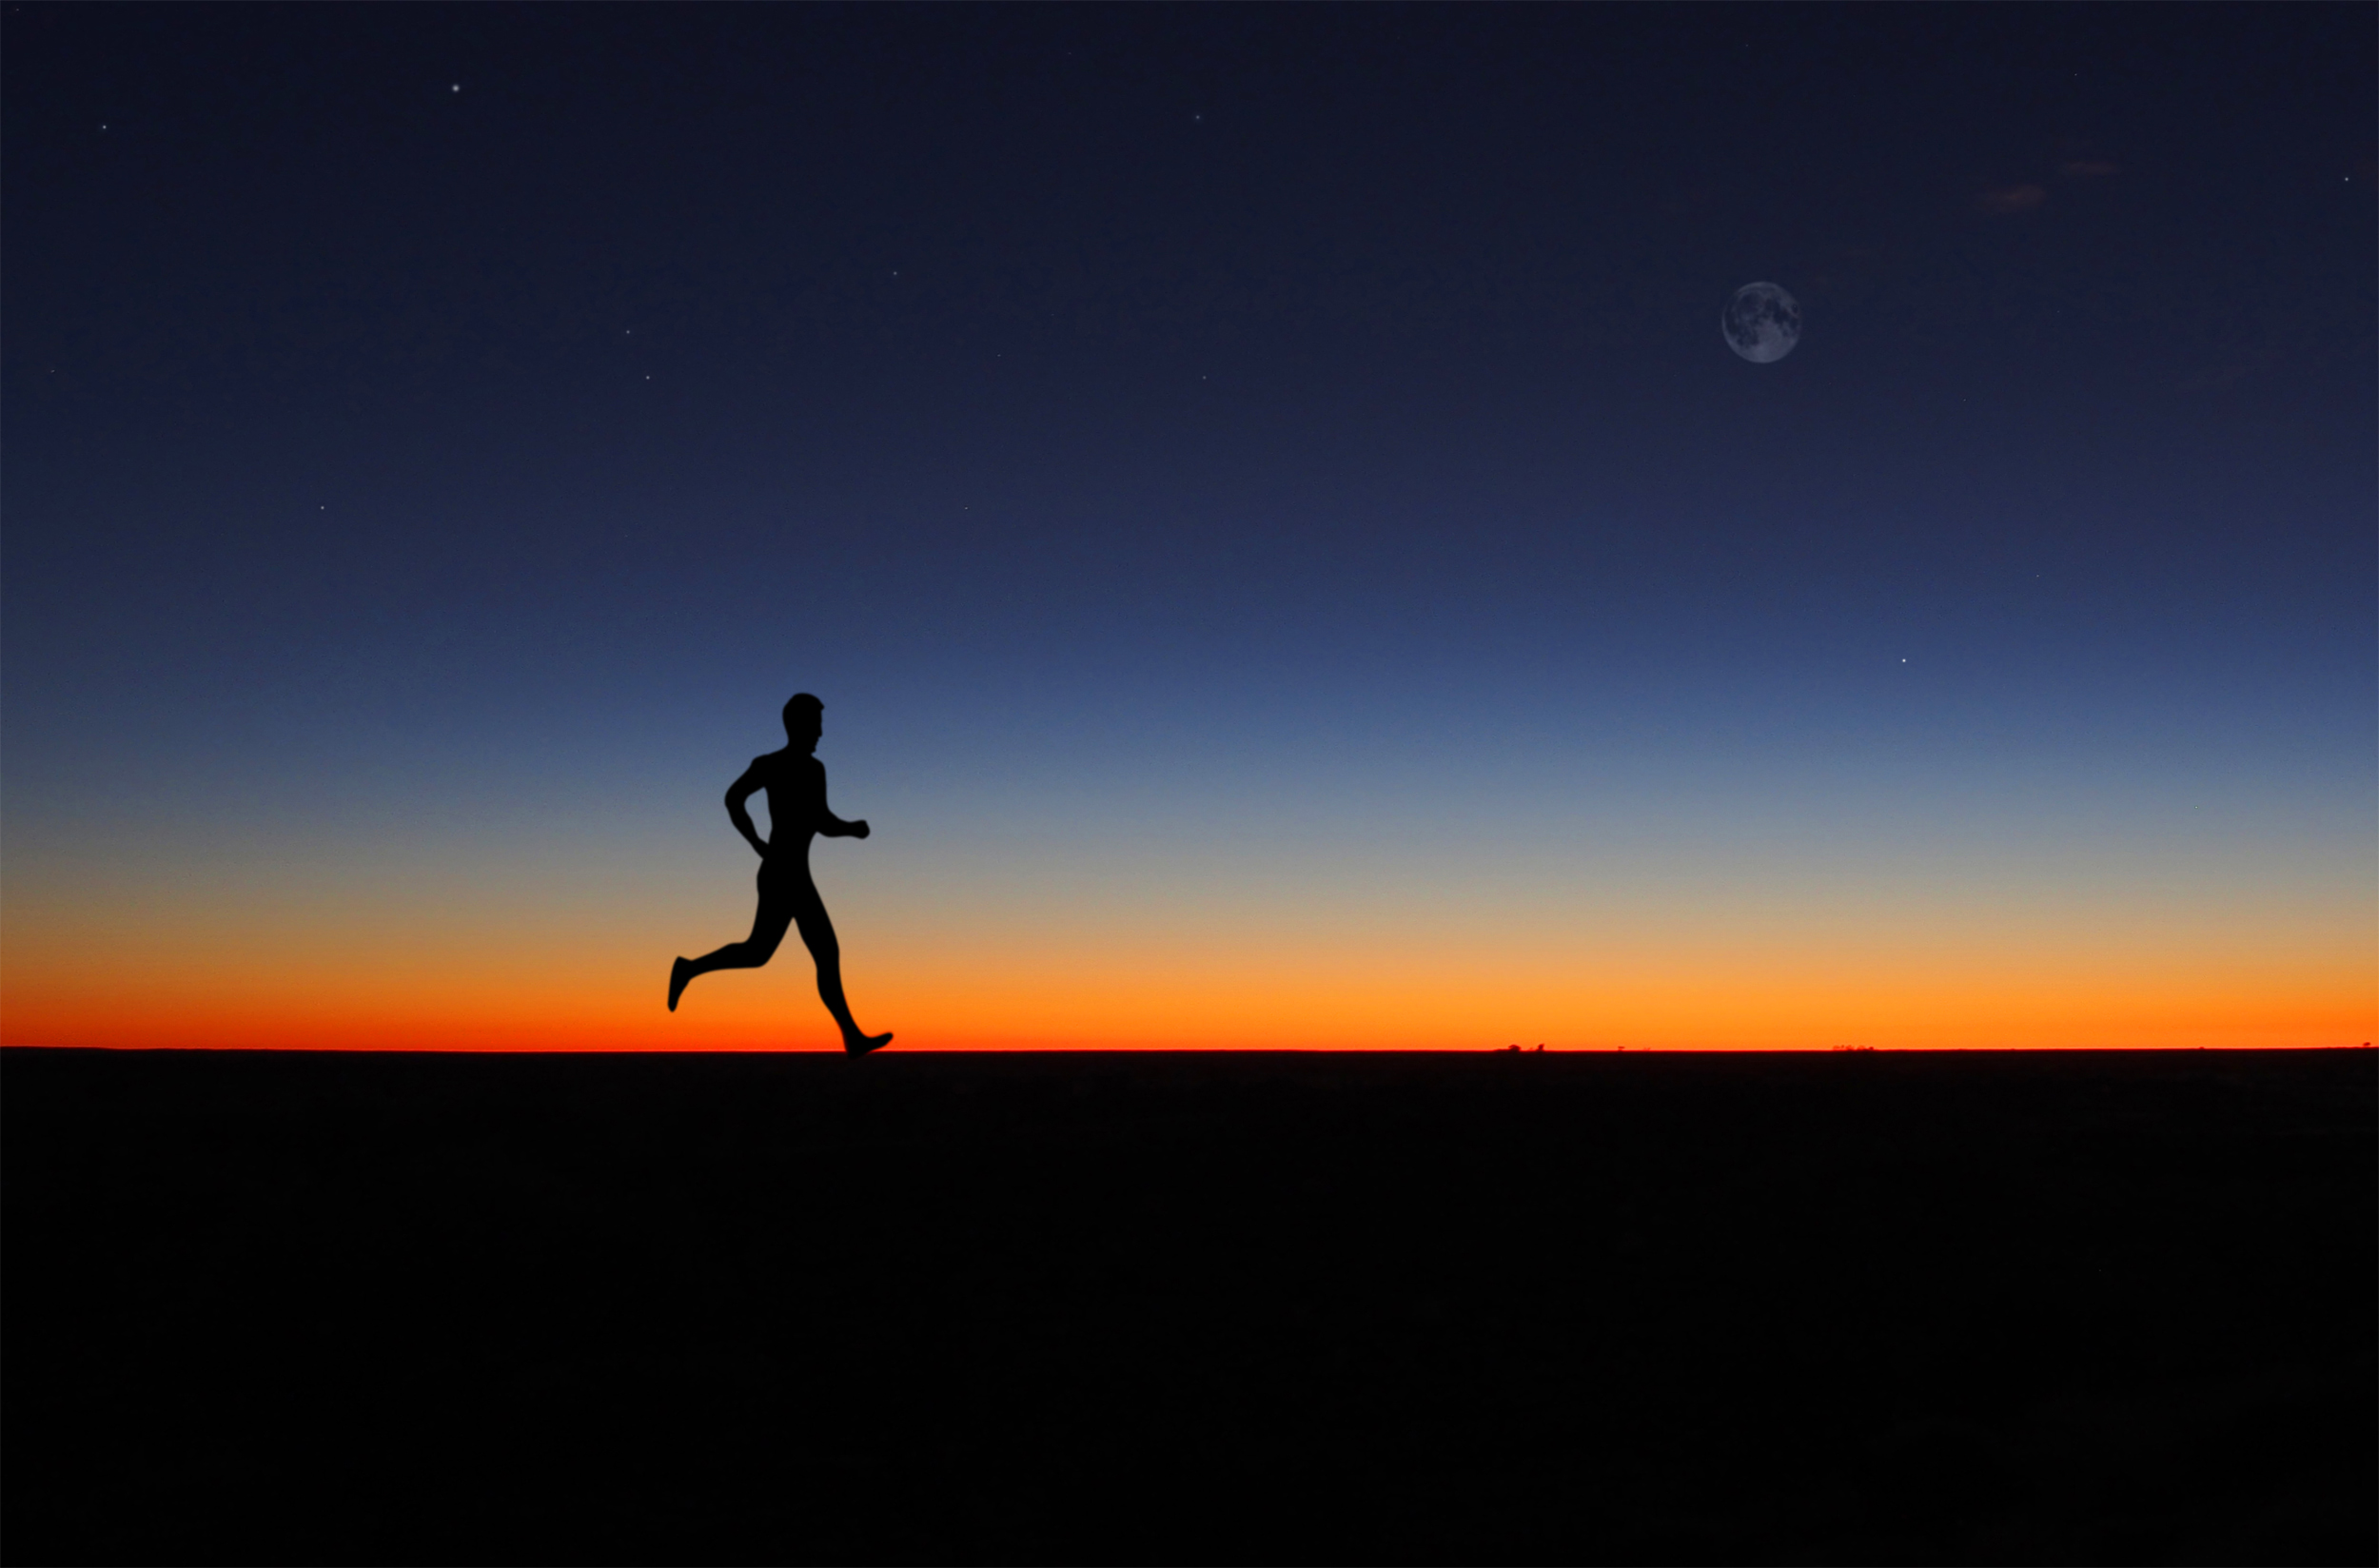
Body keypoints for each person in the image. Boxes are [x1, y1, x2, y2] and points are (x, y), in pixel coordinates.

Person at [668, 694, 892, 1053]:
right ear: (798, 725)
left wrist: (849, 828)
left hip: (794, 873)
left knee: (790, 952)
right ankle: (687, 969)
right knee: (771, 952)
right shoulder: (771, 764)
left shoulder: (814, 769)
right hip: (780, 874)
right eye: (816, 724)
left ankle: (851, 1036)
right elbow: (734, 798)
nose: (820, 732)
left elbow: (821, 821)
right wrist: (756, 841)